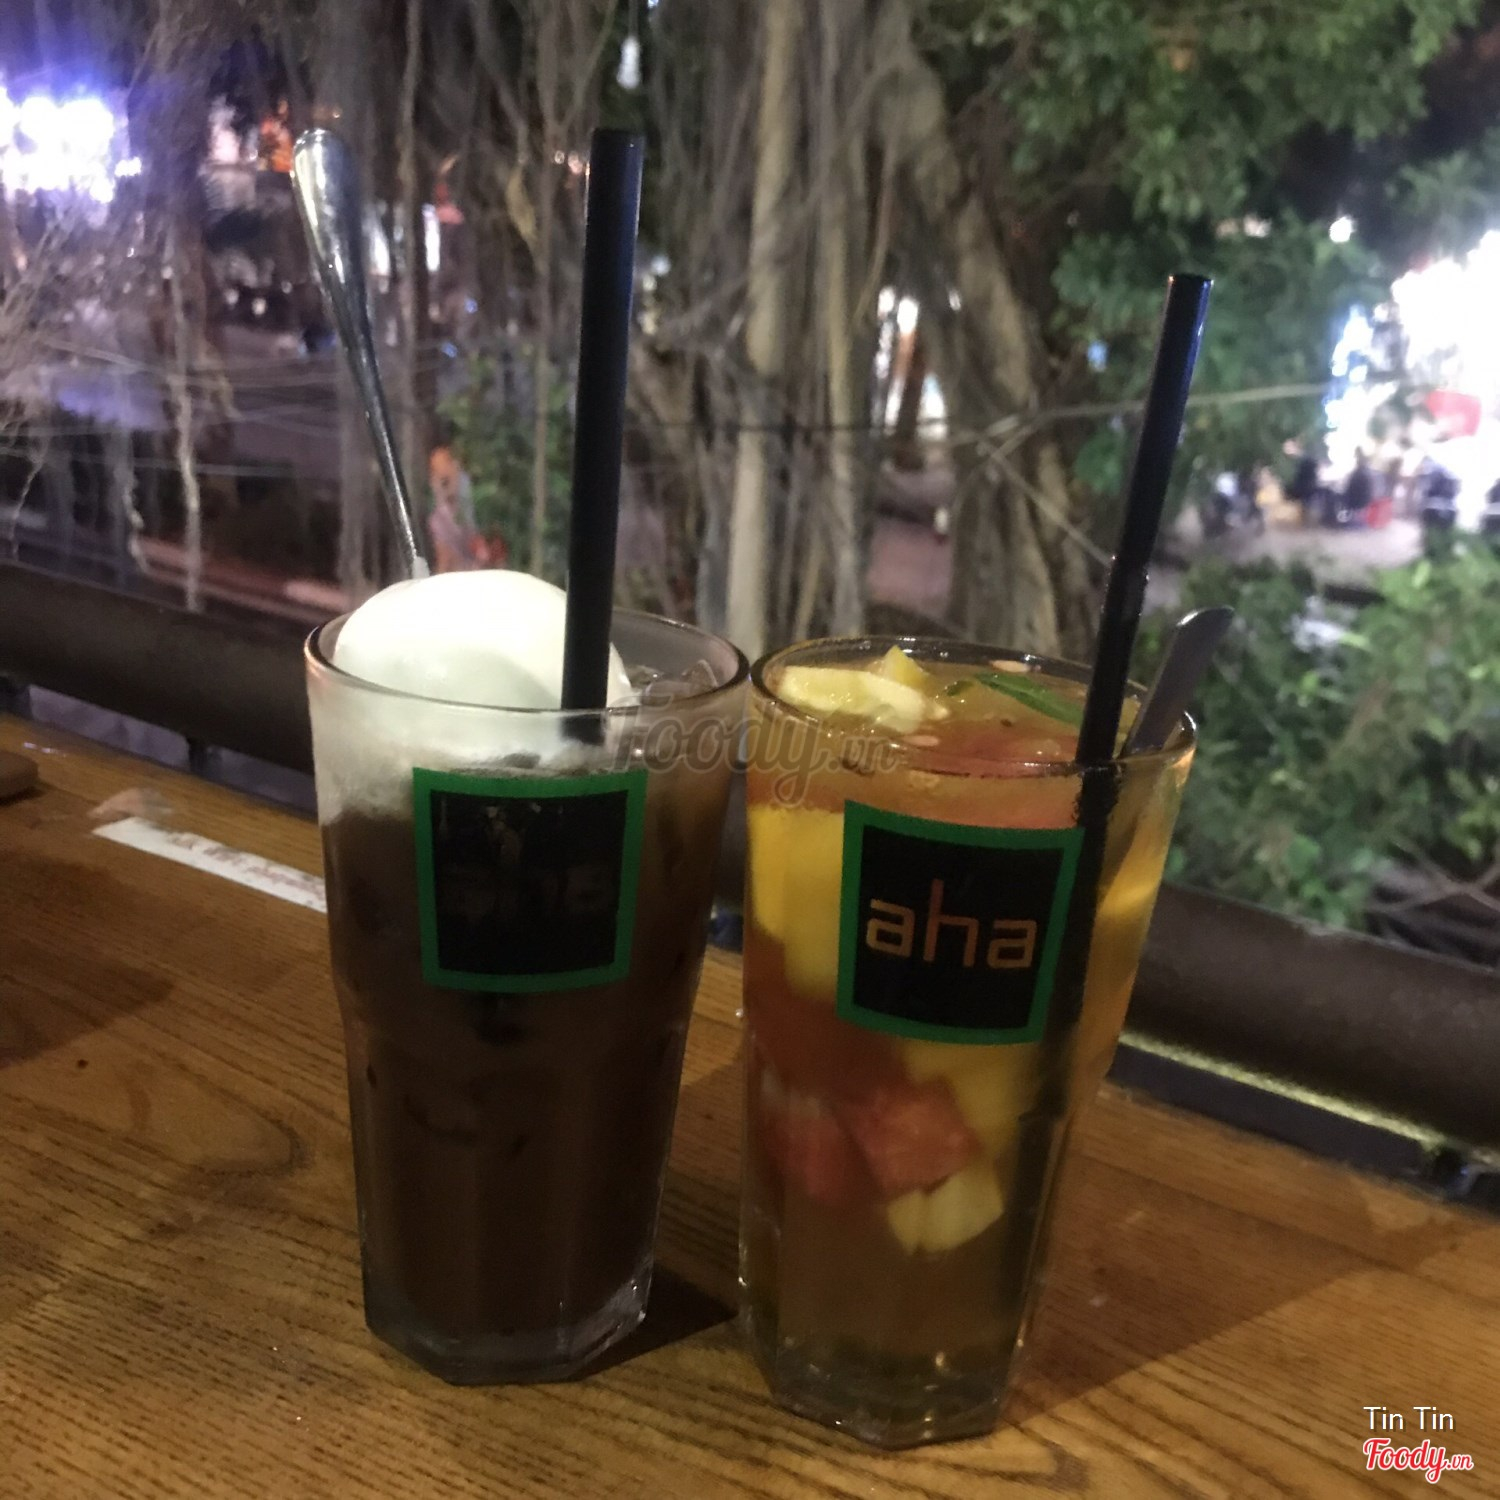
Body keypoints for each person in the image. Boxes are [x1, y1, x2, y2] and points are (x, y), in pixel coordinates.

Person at [427, 443, 487, 572]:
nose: (439, 468)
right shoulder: (437, 478)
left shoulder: (460, 476)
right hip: (445, 520)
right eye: (435, 465)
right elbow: (440, 499)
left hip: (463, 523)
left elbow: (453, 495)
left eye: (441, 462)